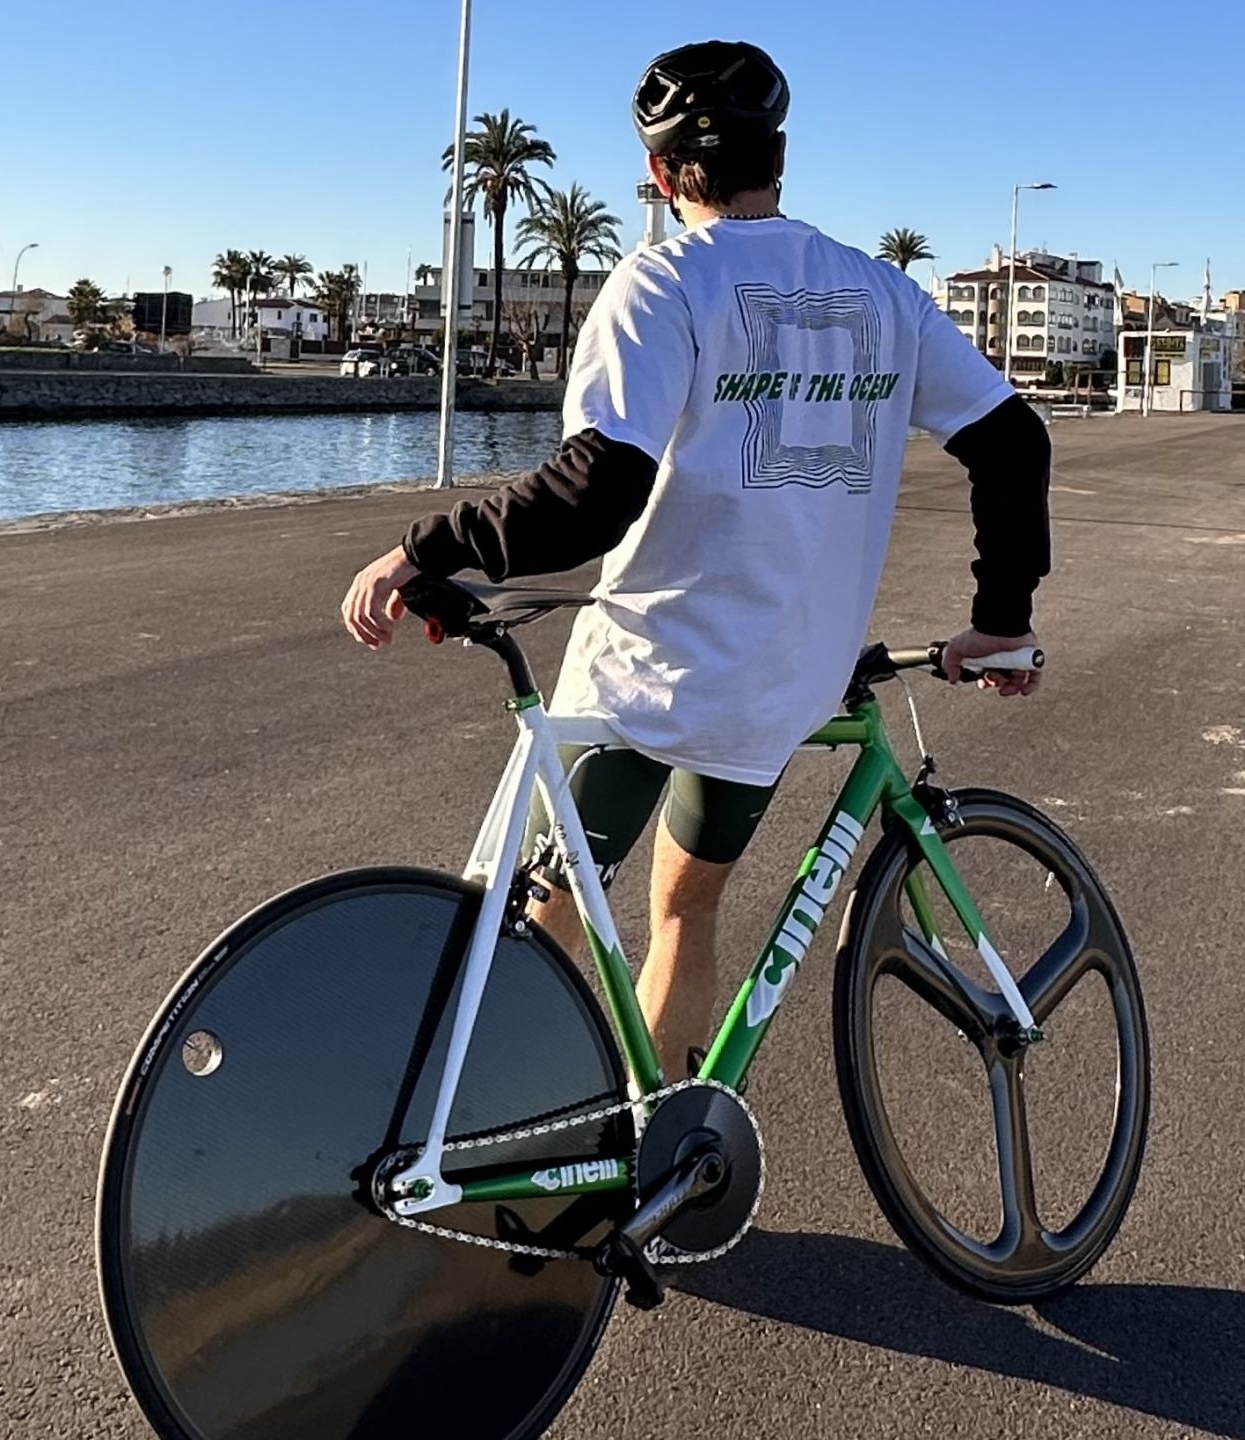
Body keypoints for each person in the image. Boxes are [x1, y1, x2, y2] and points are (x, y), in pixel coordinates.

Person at [338, 39, 1052, 1070]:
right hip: (777, 686)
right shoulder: (883, 296)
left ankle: (485, 1139)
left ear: (661, 175)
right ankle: (662, 1137)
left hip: (647, 672)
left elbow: (593, 494)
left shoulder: (663, 283)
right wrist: (1001, 615)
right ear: (781, 157)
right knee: (685, 911)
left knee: (542, 921)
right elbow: (1012, 441)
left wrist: (425, 548)